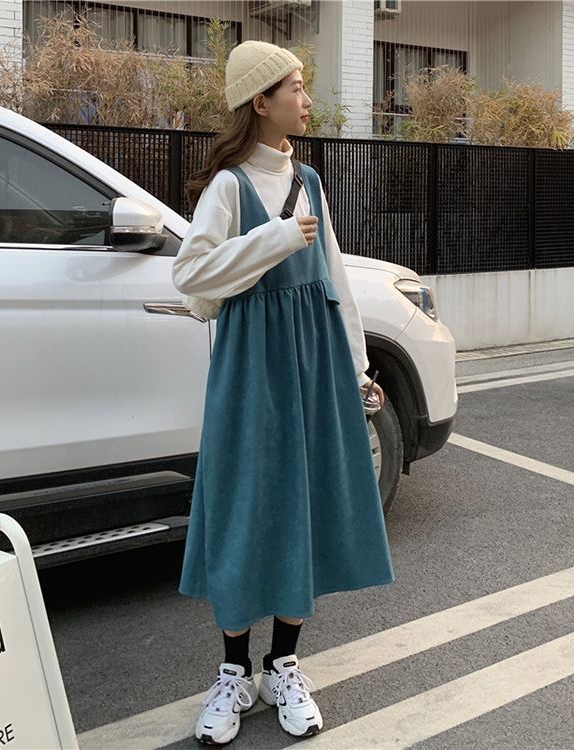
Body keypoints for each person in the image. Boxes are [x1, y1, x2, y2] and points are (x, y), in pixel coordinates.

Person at [172, 39, 395, 746]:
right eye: (295, 87)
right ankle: (233, 671)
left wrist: (357, 369)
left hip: (314, 362)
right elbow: (191, 276)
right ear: (260, 101)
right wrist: (274, 239)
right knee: (246, 505)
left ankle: (284, 664)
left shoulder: (312, 182)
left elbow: (335, 283)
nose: (306, 99)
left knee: (305, 502)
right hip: (250, 370)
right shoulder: (229, 186)